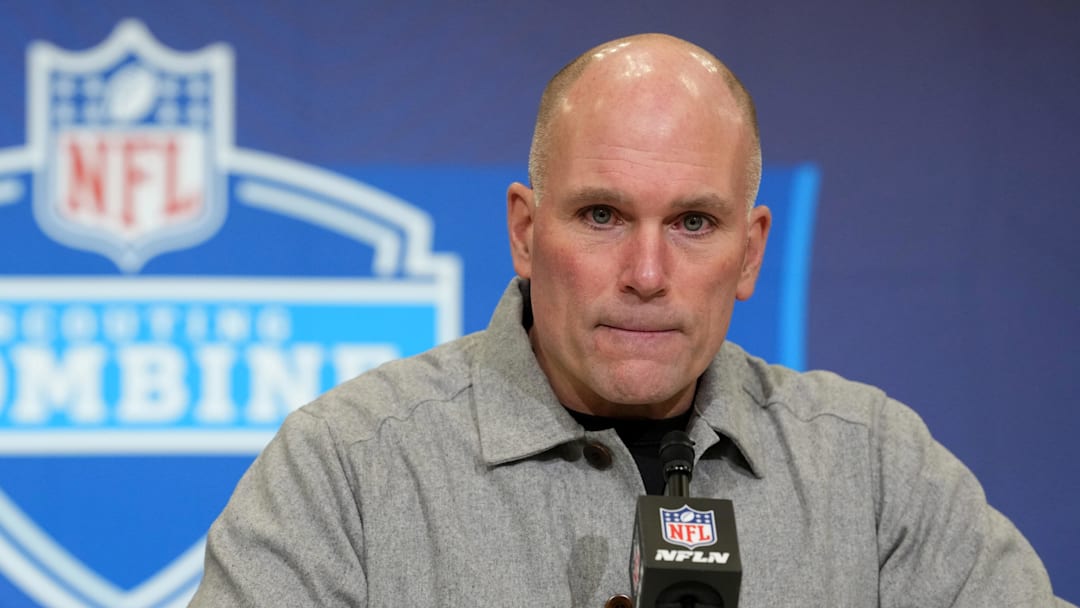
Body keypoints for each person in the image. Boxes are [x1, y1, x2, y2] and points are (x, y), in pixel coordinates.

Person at [190, 34, 1072, 607]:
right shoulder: (345, 471)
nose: (647, 275)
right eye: (603, 215)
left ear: (752, 251)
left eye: (693, 223)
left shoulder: (874, 469)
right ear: (527, 234)